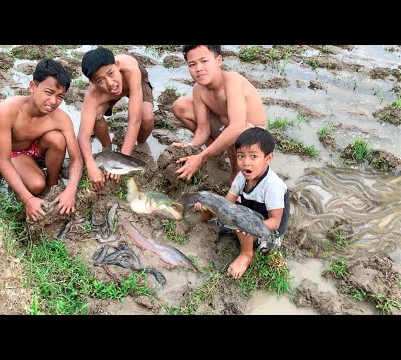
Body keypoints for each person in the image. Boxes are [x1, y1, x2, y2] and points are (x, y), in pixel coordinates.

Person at [0, 58, 83, 222]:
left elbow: (76, 158)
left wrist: (71, 189)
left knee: (57, 139)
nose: (53, 102)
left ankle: (52, 184)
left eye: (60, 96)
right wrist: (28, 200)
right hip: (12, 151)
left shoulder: (61, 119)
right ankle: (35, 181)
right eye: (48, 92)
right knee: (35, 186)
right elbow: (2, 159)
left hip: (35, 146)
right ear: (33, 87)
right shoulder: (7, 110)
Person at [194, 127, 290, 279]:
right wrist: (209, 208)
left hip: (268, 235)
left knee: (239, 216)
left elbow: (275, 222)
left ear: (268, 158)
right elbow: (226, 205)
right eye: (240, 156)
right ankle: (210, 217)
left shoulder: (273, 185)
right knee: (220, 207)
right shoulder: (241, 177)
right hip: (248, 218)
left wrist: (247, 225)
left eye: (253, 156)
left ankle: (246, 254)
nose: (246, 163)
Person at [172, 45, 267, 185]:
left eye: (204, 61)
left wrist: (201, 157)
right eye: (192, 64)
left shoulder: (232, 81)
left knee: (235, 130)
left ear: (218, 60)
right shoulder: (198, 89)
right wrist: (191, 146)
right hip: (224, 124)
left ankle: (235, 172)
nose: (198, 69)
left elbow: (238, 126)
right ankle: (216, 150)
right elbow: (203, 129)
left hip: (252, 133)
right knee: (180, 105)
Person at [78, 46, 154, 191]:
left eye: (111, 73)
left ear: (117, 65)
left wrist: (122, 160)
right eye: (100, 80)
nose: (110, 82)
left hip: (135, 82)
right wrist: (91, 165)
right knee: (96, 116)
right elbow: (83, 135)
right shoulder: (93, 94)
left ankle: (141, 145)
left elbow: (134, 119)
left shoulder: (131, 71)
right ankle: (108, 149)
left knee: (146, 118)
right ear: (92, 82)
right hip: (107, 94)